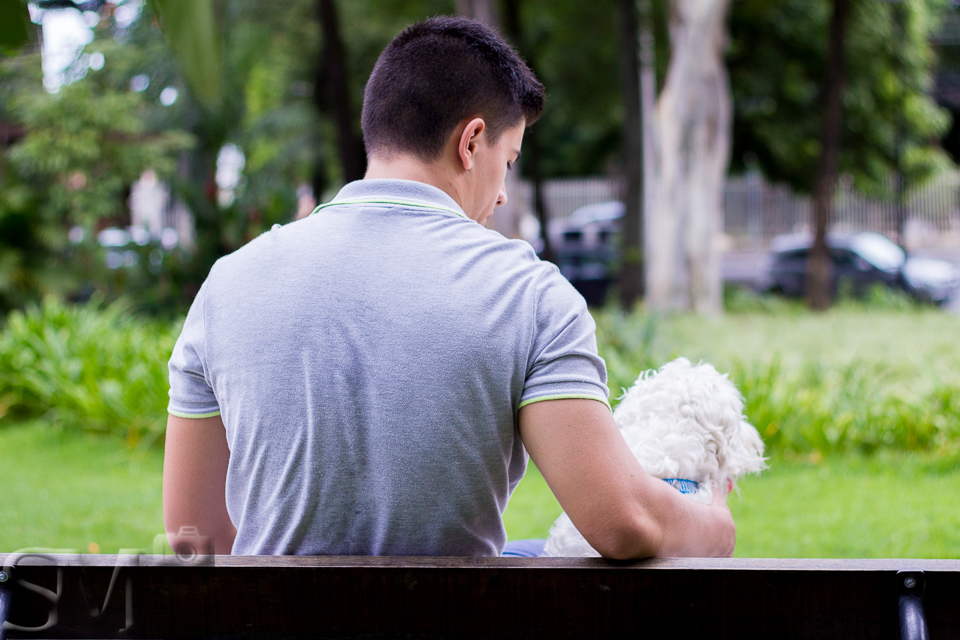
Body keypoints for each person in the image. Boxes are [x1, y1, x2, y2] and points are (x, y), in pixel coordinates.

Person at [163, 16, 735, 559]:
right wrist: (713, 525)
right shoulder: (527, 295)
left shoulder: (229, 284)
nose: (504, 193)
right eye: (508, 161)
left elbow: (195, 536)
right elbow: (623, 522)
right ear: (471, 143)